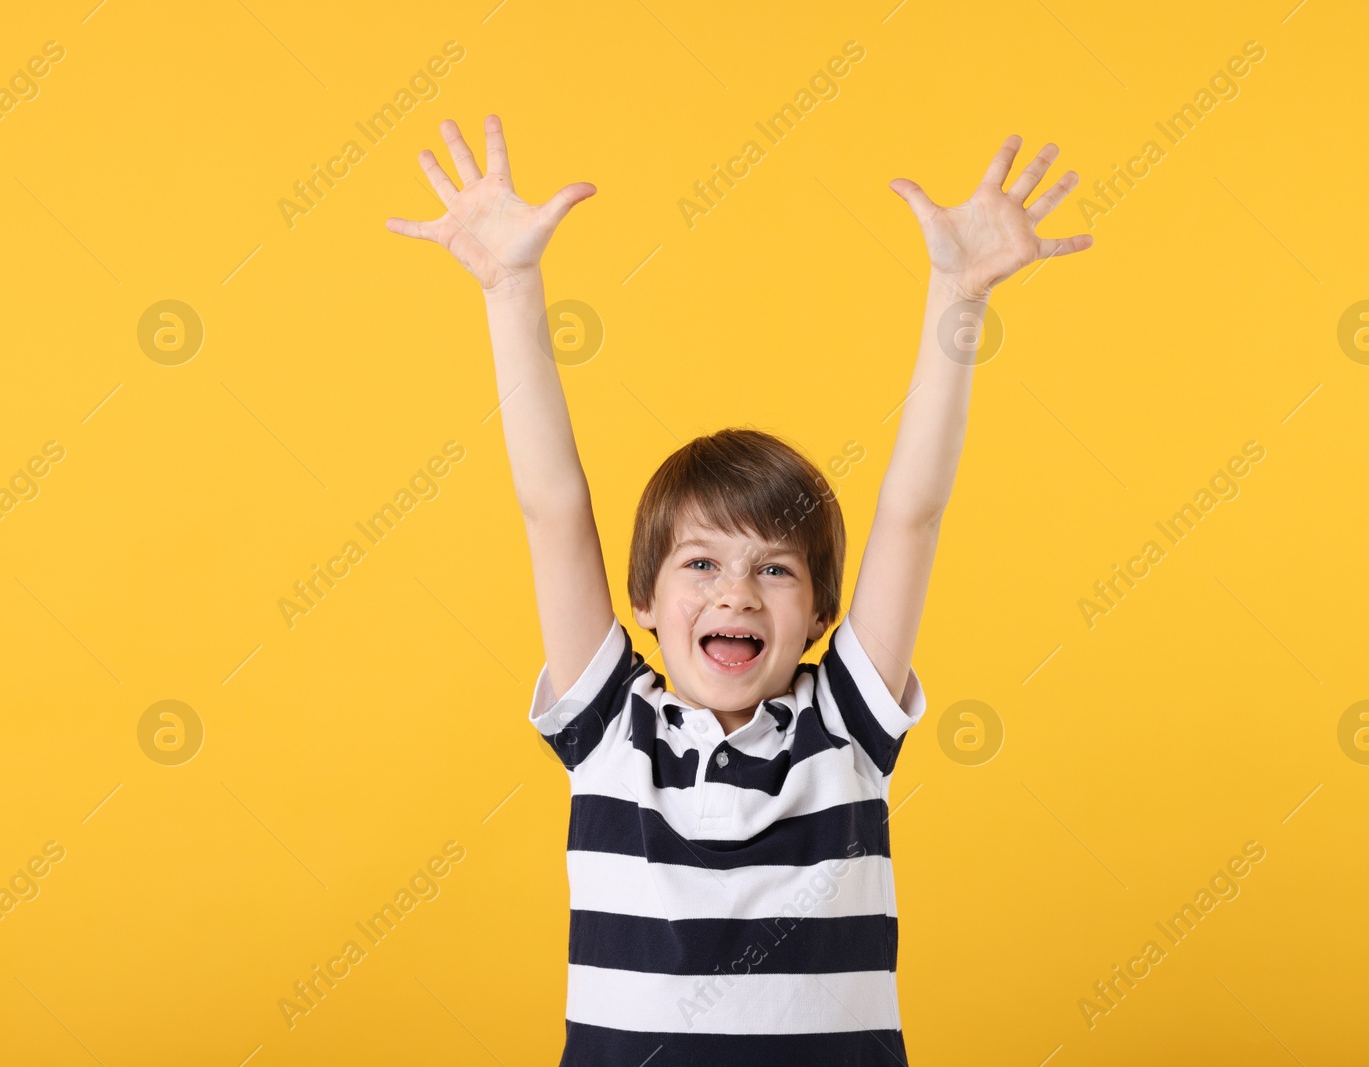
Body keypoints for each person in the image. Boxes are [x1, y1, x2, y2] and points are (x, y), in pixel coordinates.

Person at [387, 114, 1093, 1066]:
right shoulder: (609, 730)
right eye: (702, 563)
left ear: (820, 612)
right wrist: (511, 288)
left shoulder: (843, 727)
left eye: (775, 568)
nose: (738, 595)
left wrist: (957, 298)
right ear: (642, 597)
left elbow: (912, 511)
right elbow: (552, 507)